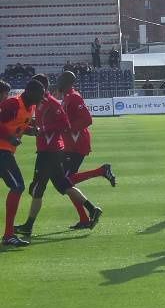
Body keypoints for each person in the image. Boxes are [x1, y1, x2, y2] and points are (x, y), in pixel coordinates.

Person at [14, 75, 103, 236]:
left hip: (49, 152)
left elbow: (63, 123)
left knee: (38, 189)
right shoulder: (40, 103)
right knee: (64, 185)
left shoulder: (51, 103)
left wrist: (43, 129)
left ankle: (28, 226)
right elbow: (42, 122)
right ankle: (93, 209)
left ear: (42, 88)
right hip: (50, 151)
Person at [56, 71, 115, 229]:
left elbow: (87, 119)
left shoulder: (74, 96)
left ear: (67, 82)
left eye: (61, 80)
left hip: (77, 144)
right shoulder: (67, 97)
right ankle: (84, 218)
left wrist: (70, 129)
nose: (58, 82)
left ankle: (101, 172)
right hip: (70, 144)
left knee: (66, 182)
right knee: (68, 184)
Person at [1, 80, 45, 246]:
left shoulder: (30, 106)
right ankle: (8, 235)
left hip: (5, 151)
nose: (41, 98)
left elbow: (17, 125)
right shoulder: (13, 103)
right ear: (30, 92)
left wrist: (30, 131)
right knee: (17, 186)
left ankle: (8, 234)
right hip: (2, 151)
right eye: (40, 94)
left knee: (17, 187)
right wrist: (10, 138)